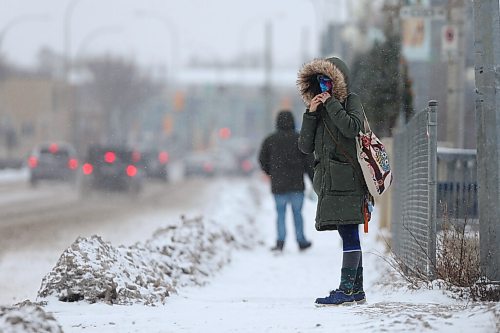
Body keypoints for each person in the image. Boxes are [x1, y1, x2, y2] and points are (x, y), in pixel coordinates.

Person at [297, 56, 372, 306]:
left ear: (338, 81)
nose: (323, 86)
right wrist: (311, 113)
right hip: (330, 183)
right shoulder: (317, 108)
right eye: (319, 81)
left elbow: (352, 128)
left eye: (327, 80)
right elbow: (305, 146)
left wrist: (331, 104)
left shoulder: (352, 102)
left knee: (349, 232)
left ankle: (346, 290)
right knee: (347, 231)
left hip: (349, 180)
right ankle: (356, 290)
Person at [258, 110, 314, 252]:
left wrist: (270, 171)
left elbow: (262, 159)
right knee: (298, 214)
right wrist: (313, 179)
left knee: (280, 214)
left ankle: (280, 241)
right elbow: (309, 161)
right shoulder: (299, 138)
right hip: (296, 184)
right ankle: (301, 241)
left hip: (279, 184)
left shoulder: (270, 140)